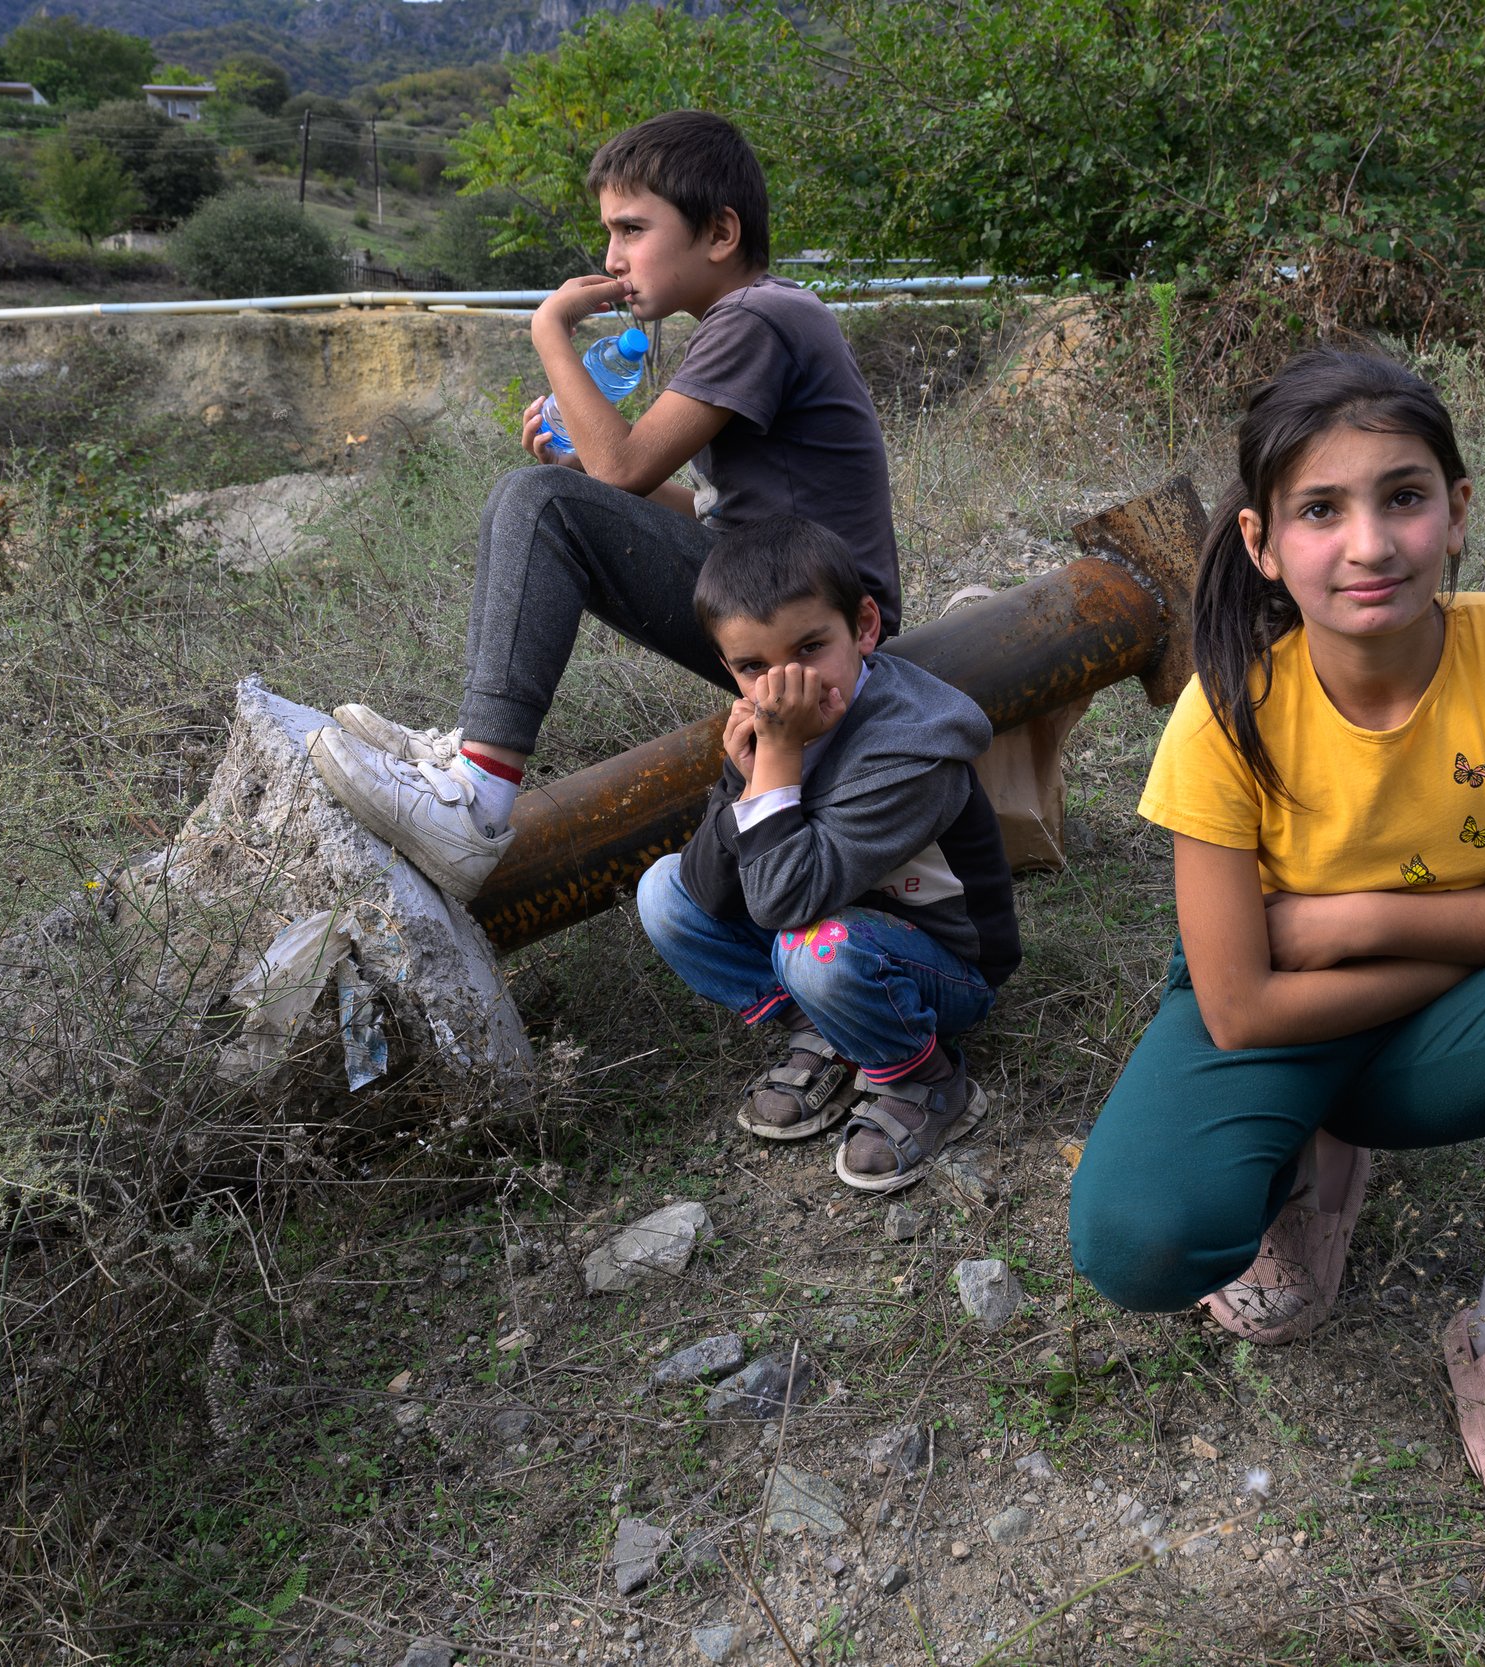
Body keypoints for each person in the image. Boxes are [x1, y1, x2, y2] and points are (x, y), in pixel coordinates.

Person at [1066, 349, 1485, 1514]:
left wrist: (1349, 919)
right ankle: (1297, 1173)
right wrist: (1413, 948)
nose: (1369, 543)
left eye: (1403, 495)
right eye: (1320, 509)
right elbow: (1239, 1008)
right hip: (1281, 1015)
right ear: (1263, 544)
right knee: (1140, 1239)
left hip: (1418, 1004)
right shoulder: (1226, 711)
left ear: (1457, 513)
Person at [308, 110, 901, 901]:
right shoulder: (758, 314)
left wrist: (551, 330)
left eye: (631, 230)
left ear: (719, 232)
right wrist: (580, 462)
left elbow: (620, 468)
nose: (613, 260)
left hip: (819, 626)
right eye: (609, 235)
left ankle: (476, 796)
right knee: (554, 490)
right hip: (788, 592)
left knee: (541, 501)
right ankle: (463, 757)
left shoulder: (757, 319)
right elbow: (713, 513)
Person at [633, 515, 1019, 1192]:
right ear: (728, 668)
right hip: (833, 934)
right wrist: (744, 781)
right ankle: (832, 1032)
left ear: (864, 627)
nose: (787, 686)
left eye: (810, 647)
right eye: (754, 667)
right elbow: (711, 889)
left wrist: (778, 759)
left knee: (809, 946)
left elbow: (784, 901)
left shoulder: (910, 748)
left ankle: (928, 1079)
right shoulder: (771, 731)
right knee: (665, 893)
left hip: (948, 966)